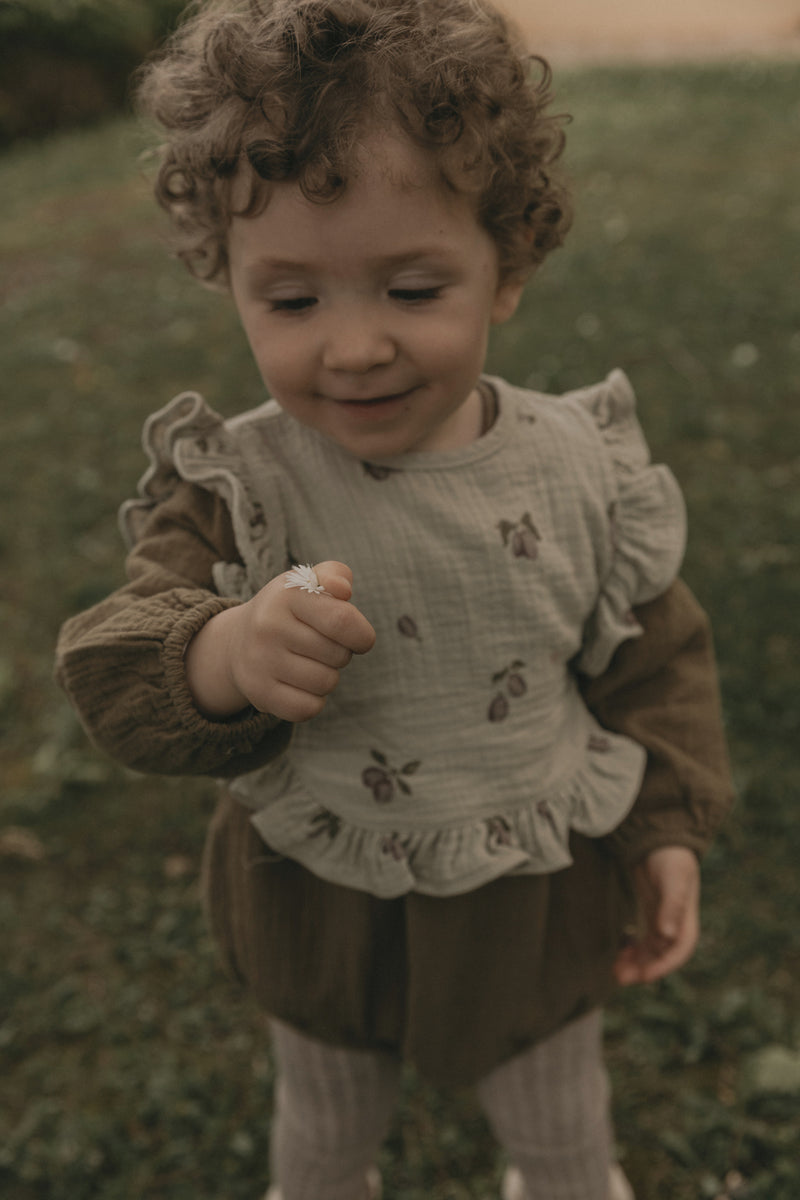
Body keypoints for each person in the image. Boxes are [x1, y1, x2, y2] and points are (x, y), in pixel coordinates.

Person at [55, 1, 734, 1197]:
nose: (354, 346)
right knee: (321, 1135)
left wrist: (664, 828)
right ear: (229, 281)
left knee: (562, 1129)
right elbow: (114, 664)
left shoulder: (581, 467)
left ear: (505, 269)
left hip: (531, 888)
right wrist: (221, 651)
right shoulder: (239, 488)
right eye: (294, 300)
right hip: (319, 896)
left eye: (412, 289)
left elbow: (653, 658)